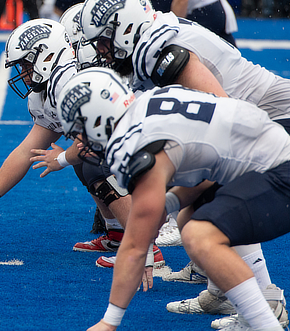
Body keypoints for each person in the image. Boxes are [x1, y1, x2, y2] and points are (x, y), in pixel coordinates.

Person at [80, 0, 290, 324]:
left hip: (273, 122)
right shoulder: (153, 37)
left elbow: (223, 112)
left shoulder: (154, 50)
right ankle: (231, 292)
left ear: (127, 26)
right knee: (191, 206)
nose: (102, 50)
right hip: (261, 121)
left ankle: (265, 307)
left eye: (105, 39)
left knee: (212, 203)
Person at [56, 68, 290, 331]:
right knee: (187, 215)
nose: (79, 141)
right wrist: (165, 205)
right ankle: (254, 311)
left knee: (199, 235)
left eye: (79, 131)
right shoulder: (147, 102)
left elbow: (133, 247)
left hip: (279, 170)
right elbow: (210, 169)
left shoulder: (134, 144)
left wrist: (108, 322)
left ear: (99, 120)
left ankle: (265, 325)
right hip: (271, 152)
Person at [0, 19, 155, 270]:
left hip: (153, 135)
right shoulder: (48, 91)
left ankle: (144, 246)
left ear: (45, 57)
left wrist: (61, 159)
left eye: (26, 65)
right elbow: (27, 150)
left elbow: (91, 144)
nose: (23, 74)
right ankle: (117, 235)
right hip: (131, 140)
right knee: (84, 163)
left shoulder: (70, 83)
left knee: (92, 162)